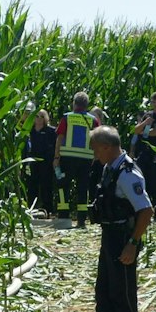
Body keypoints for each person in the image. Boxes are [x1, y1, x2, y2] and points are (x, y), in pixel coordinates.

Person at [86, 125, 154, 312]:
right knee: (103, 292)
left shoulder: (127, 173)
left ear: (107, 147)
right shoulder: (109, 168)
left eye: (96, 149)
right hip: (109, 236)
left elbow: (146, 211)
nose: (94, 153)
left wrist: (132, 244)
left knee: (123, 296)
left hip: (123, 239)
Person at [54, 92, 103, 227]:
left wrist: (56, 157)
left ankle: (64, 218)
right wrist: (95, 156)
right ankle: (81, 220)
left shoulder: (67, 118)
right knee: (83, 188)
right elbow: (98, 139)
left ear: (74, 103)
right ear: (86, 105)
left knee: (64, 186)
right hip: (85, 159)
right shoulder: (93, 120)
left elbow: (59, 137)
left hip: (67, 157)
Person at [23, 108, 57, 217]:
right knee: (32, 186)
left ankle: (48, 209)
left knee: (46, 186)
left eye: (42, 116)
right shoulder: (29, 131)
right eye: (36, 116)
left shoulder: (51, 131)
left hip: (46, 163)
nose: (39, 119)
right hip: (32, 162)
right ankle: (31, 208)